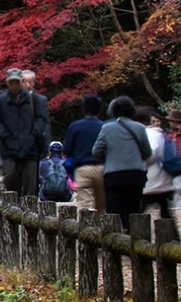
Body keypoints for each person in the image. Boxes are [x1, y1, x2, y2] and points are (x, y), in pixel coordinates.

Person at [93, 96, 151, 230]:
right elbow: (147, 152)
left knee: (115, 211)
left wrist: (108, 160)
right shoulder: (140, 128)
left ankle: (115, 239)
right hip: (136, 173)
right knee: (134, 209)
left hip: (114, 174)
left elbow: (97, 151)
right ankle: (134, 237)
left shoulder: (107, 128)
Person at [0, 68, 49, 198]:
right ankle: (11, 205)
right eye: (11, 83)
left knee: (30, 182)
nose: (14, 86)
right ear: (7, 83)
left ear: (21, 82)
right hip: (9, 145)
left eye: (16, 82)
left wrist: (33, 135)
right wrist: (5, 134)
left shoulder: (35, 100)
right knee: (10, 176)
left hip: (30, 145)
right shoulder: (2, 100)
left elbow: (42, 119)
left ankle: (29, 209)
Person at [63, 94, 106, 211]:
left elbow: (67, 149)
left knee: (85, 206)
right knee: (102, 206)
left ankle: (87, 227)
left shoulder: (75, 126)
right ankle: (102, 228)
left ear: (83, 110)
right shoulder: (105, 126)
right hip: (103, 168)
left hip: (82, 168)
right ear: (99, 111)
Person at [140, 109, 174, 219]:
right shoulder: (162, 134)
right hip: (164, 178)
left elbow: (152, 153)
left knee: (140, 209)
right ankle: (172, 234)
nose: (156, 123)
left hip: (153, 179)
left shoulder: (151, 134)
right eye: (153, 121)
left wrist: (141, 162)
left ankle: (134, 231)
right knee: (164, 210)